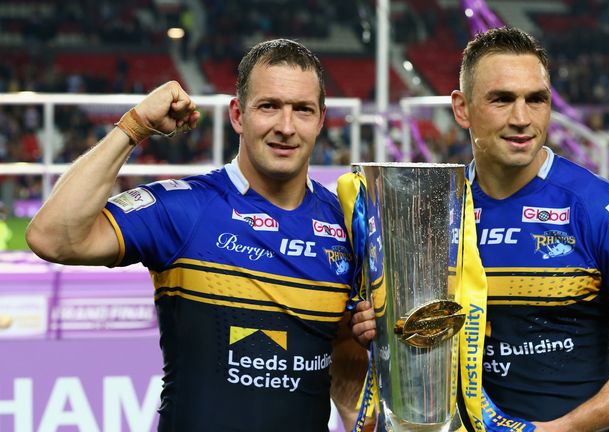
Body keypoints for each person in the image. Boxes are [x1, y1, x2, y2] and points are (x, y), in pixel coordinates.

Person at [350, 27, 609, 431]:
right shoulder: (432, 211)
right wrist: (381, 329)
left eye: (536, 100)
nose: (521, 119)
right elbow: (423, 336)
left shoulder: (601, 208)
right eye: (502, 99)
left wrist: (561, 429)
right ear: (462, 108)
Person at [27, 39, 366, 431]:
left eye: (302, 110)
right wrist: (133, 126)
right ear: (238, 115)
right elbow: (53, 237)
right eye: (269, 106)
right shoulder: (184, 209)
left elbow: (342, 351)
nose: (285, 127)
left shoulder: (345, 222)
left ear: (321, 119)